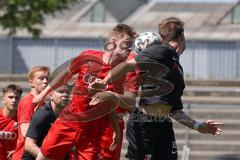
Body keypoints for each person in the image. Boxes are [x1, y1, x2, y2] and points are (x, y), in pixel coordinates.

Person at [89, 17, 223, 160]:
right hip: (144, 124)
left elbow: (174, 110)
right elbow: (127, 65)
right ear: (182, 36)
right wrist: (104, 82)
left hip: (163, 125)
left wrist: (198, 126)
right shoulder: (161, 50)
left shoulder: (176, 67)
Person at [34, 24, 139, 160]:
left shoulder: (126, 72)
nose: (131, 48)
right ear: (113, 43)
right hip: (69, 121)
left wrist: (111, 99)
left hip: (93, 131)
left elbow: (130, 102)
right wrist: (43, 94)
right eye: (127, 44)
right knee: (44, 157)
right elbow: (65, 73)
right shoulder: (88, 56)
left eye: (132, 45)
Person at [22, 85, 70, 160]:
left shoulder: (69, 117)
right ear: (51, 95)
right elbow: (29, 145)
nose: (65, 95)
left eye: (67, 92)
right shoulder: (42, 114)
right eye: (61, 92)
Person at [13, 66, 50, 160]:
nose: (45, 81)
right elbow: (25, 132)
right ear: (31, 83)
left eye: (47, 78)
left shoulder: (44, 105)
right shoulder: (28, 102)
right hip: (24, 156)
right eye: (41, 78)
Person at [0, 84, 22, 160]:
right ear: (3, 100)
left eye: (16, 98)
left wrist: (19, 151)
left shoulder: (23, 119)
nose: (14, 100)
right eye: (10, 97)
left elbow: (29, 141)